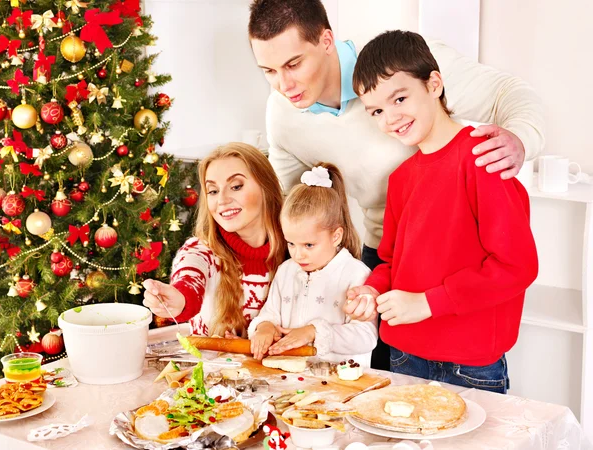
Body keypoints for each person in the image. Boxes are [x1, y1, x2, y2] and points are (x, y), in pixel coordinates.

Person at [248, 0, 545, 369]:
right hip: (387, 263)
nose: (284, 84)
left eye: (293, 64)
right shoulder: (283, 114)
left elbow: (509, 94)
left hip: (459, 287)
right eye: (269, 71)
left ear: (326, 40)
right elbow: (294, 203)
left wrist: (520, 140)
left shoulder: (401, 60)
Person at [345, 30, 538, 393]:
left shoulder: (482, 157)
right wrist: (371, 291)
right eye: (377, 111)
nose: (391, 118)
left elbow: (517, 265)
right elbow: (389, 264)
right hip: (403, 356)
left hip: (470, 366)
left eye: (400, 98)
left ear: (434, 84)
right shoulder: (401, 179)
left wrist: (429, 303)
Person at [142, 143, 287, 337]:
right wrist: (177, 299)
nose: (222, 200)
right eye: (213, 191)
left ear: (266, 187)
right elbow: (189, 280)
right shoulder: (199, 251)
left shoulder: (299, 250)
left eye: (236, 186)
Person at [248, 163, 377, 367]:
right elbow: (271, 312)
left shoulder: (357, 275)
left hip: (341, 384)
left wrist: (314, 331)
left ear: (336, 236)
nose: (298, 254)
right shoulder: (286, 270)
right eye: (291, 243)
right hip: (290, 380)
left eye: (309, 245)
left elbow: (366, 336)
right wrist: (264, 327)